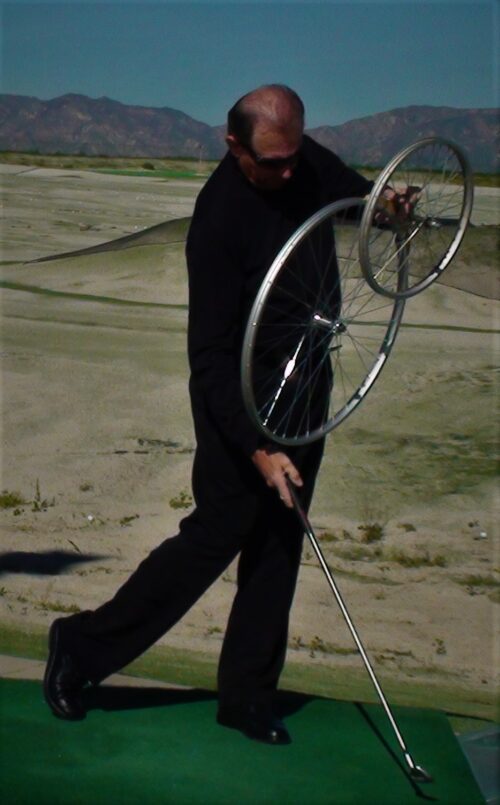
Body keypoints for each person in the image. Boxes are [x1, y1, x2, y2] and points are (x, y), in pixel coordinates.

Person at [43, 85, 374, 745]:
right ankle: (81, 646)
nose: (289, 172)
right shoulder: (219, 218)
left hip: (305, 381)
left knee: (280, 538)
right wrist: (256, 446)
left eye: (294, 156)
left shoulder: (301, 160)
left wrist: (389, 208)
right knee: (217, 534)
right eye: (273, 162)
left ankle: (247, 696)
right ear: (234, 145)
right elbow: (211, 358)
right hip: (239, 396)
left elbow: (357, 201)